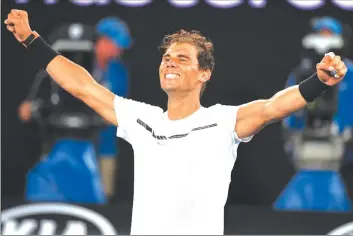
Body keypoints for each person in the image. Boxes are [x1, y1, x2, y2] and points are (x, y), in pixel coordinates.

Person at [5, 10, 348, 235]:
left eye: (182, 59)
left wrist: (318, 82)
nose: (170, 63)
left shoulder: (222, 122)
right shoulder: (142, 119)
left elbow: (273, 107)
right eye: (167, 58)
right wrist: (32, 41)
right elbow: (82, 85)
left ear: (204, 74)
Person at [18, 17, 132, 199]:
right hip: (58, 143)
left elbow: (117, 109)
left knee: (101, 195)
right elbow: (26, 110)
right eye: (114, 43)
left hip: (103, 146)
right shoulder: (60, 70)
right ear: (100, 40)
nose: (118, 50)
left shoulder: (118, 72)